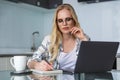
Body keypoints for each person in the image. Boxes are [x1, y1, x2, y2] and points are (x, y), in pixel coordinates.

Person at [27, 3, 90, 73]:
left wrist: (83, 39)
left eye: (68, 19)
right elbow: (30, 62)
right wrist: (36, 65)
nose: (64, 23)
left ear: (74, 20)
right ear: (57, 23)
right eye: (60, 20)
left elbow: (91, 64)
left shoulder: (83, 39)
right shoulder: (49, 40)